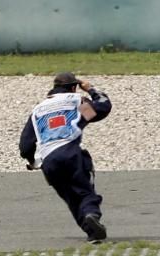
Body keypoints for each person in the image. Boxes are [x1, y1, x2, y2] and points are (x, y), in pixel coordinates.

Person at [19, 73, 113, 242]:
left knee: (71, 198)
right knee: (84, 191)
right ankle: (91, 214)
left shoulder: (38, 110)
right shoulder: (77, 102)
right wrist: (90, 89)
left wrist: (33, 162)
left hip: (49, 161)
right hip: (70, 154)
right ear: (72, 87)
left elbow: (25, 146)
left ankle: (92, 232)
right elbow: (103, 108)